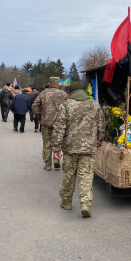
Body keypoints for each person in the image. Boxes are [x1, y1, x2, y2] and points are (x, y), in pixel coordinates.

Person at [52, 82, 105, 218]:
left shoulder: (66, 105)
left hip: (70, 148)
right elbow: (101, 125)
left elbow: (59, 127)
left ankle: (67, 201)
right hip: (88, 147)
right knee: (86, 176)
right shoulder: (94, 105)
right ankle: (85, 203)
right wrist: (98, 142)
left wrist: (56, 148)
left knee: (69, 175)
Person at [32, 77, 68, 171]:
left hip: (46, 123)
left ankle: (47, 164)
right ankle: (57, 160)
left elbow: (35, 106)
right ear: (58, 84)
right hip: (60, 123)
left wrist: (39, 117)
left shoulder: (43, 94)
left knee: (47, 144)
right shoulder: (63, 94)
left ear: (49, 83)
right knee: (58, 142)